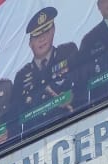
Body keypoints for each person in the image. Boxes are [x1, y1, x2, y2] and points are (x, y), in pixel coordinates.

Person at [12, 7, 84, 135]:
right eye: (37, 35)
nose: (42, 39)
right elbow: (17, 118)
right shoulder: (21, 76)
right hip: (38, 137)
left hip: (73, 124)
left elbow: (84, 82)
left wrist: (72, 96)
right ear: (30, 43)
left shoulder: (68, 52)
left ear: (53, 31)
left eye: (46, 31)